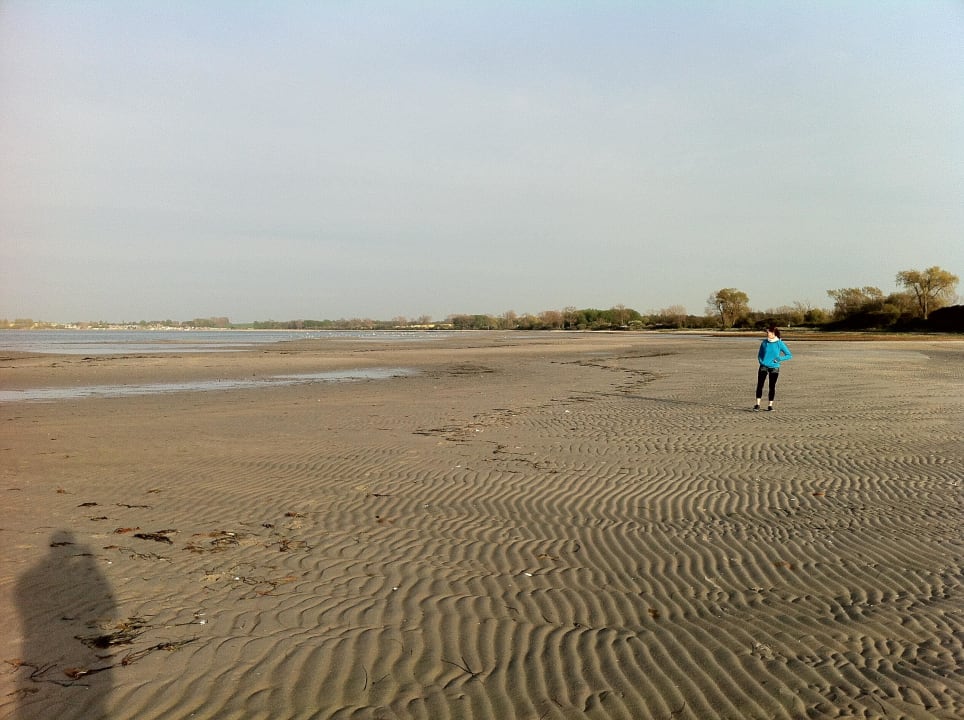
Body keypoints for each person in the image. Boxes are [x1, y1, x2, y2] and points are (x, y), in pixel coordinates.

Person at [754, 325, 792, 411]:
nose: (767, 334)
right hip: (763, 366)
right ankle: (757, 404)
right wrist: (761, 361)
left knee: (772, 386)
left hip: (774, 367)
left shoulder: (779, 343)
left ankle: (770, 405)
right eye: (767, 332)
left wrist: (779, 359)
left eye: (769, 332)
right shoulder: (764, 343)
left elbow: (789, 355)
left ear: (774, 333)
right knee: (760, 385)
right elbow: (760, 354)